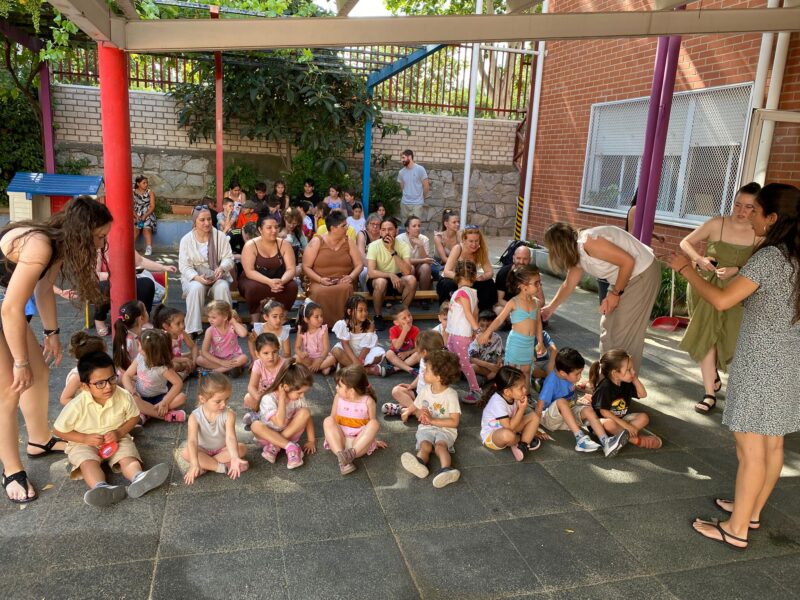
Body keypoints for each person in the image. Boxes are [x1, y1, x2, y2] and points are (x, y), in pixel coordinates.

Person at [669, 182, 799, 551]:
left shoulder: (769, 257)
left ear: (772, 217)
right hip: (789, 358)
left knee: (751, 448)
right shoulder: (794, 256)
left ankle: (736, 529)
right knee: (772, 444)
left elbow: (722, 300)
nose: (749, 217)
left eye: (755, 211)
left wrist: (686, 269)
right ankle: (750, 512)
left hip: (762, 360)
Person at [678, 182, 762, 414]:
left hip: (737, 292)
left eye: (749, 207)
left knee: (729, 337)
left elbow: (761, 265)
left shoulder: (760, 233)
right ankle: (709, 393)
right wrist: (700, 259)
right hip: (706, 287)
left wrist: (738, 269)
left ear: (758, 209)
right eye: (738, 204)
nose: (741, 211)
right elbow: (685, 242)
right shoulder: (717, 223)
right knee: (707, 335)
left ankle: (714, 372)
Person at [52, 351, 169, 507]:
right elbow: (58, 430)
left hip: (117, 437)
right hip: (84, 443)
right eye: (100, 383)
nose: (108, 386)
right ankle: (101, 488)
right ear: (85, 386)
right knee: (87, 462)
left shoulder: (123, 396)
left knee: (127, 456)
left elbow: (134, 417)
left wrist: (120, 432)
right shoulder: (76, 405)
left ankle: (139, 477)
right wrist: (85, 439)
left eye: (112, 379)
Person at [541, 222, 660, 372]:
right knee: (607, 328)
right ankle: (605, 377)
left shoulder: (589, 242)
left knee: (623, 333)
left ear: (558, 247)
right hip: (622, 279)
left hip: (642, 274)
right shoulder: (576, 252)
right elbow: (568, 284)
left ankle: (624, 380)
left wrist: (615, 294)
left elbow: (628, 262)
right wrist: (550, 308)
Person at [537, 348, 621, 455]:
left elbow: (570, 394)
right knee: (561, 401)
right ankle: (580, 439)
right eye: (577, 374)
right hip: (550, 420)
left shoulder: (567, 377)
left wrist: (583, 397)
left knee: (588, 410)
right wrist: (535, 430)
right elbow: (539, 407)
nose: (580, 377)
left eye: (580, 373)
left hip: (568, 417)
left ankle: (606, 442)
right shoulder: (551, 382)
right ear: (563, 373)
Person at [399, 349, 462, 488]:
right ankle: (420, 464)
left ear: (438, 377)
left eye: (427, 370)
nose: (423, 372)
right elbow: (416, 404)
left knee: (440, 446)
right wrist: (408, 411)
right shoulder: (426, 389)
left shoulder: (451, 395)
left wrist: (433, 420)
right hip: (426, 427)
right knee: (425, 444)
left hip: (446, 429)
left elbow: (454, 422)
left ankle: (447, 470)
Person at [479, 265, 545, 387]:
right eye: (536, 283)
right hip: (516, 342)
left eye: (539, 282)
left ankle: (526, 394)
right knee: (511, 371)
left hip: (529, 343)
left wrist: (540, 342)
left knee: (526, 371)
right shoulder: (513, 302)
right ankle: (506, 391)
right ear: (523, 286)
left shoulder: (536, 303)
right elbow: (499, 319)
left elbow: (538, 324)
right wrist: (487, 333)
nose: (539, 286)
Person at [91, 248, 177, 337]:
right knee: (104, 286)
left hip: (127, 282)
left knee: (146, 283)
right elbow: (94, 275)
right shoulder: (98, 249)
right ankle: (99, 320)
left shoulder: (125, 245)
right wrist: (117, 275)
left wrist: (163, 267)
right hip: (107, 283)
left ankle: (143, 319)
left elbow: (141, 261)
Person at [179, 205, 235, 337]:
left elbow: (229, 258)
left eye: (209, 219)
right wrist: (197, 277)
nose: (207, 223)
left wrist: (222, 268)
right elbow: (184, 266)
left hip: (216, 276)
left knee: (222, 286)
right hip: (195, 277)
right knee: (196, 288)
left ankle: (225, 326)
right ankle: (192, 329)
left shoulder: (220, 236)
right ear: (195, 221)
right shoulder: (186, 240)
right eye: (202, 220)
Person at [183, 373, 249, 485]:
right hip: (203, 450)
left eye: (226, 399)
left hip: (222, 449)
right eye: (218, 401)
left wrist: (234, 457)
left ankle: (205, 466)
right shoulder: (194, 417)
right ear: (202, 399)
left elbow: (230, 438)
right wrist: (194, 463)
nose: (223, 404)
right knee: (186, 452)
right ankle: (221, 468)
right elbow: (192, 441)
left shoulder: (229, 414)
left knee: (242, 448)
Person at [589, 349, 662, 449]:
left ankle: (621, 436)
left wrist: (634, 378)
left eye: (632, 368)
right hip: (600, 425)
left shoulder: (626, 383)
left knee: (644, 417)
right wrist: (625, 425)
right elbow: (604, 412)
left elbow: (642, 394)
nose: (633, 371)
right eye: (629, 370)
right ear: (615, 373)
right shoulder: (605, 387)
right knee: (609, 424)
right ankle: (637, 440)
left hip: (620, 420)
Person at [250, 360, 316, 469]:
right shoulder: (268, 399)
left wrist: (311, 440)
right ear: (285, 387)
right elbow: (280, 423)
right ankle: (291, 447)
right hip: (268, 437)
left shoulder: (298, 399)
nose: (302, 395)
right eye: (300, 392)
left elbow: (307, 418)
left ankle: (276, 445)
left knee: (305, 412)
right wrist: (281, 398)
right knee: (255, 425)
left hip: (288, 434)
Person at [303, 209, 363, 327]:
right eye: (343, 226)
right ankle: (320, 324)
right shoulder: (317, 241)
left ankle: (344, 324)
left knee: (346, 288)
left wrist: (351, 277)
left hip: (342, 281)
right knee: (320, 291)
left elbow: (359, 264)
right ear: (333, 228)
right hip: (319, 281)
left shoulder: (349, 241)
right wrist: (320, 280)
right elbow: (306, 266)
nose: (347, 228)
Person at [323, 365, 386, 475]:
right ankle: (342, 457)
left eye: (339, 386)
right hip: (340, 442)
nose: (336, 388)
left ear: (351, 391)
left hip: (358, 445)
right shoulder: (338, 397)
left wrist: (373, 441)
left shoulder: (368, 401)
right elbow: (333, 419)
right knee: (328, 420)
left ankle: (347, 457)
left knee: (374, 423)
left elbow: (370, 428)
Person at [238, 212, 299, 321]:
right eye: (269, 228)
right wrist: (269, 282)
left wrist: (281, 281)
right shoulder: (250, 245)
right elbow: (249, 271)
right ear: (260, 229)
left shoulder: (284, 244)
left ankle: (282, 319)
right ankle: (255, 322)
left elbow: (291, 269)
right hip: (254, 279)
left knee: (292, 286)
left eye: (276, 227)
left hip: (278, 278)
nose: (274, 230)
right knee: (253, 288)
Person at [122, 328, 187, 424]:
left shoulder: (163, 368)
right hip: (140, 396)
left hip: (159, 398)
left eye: (140, 345)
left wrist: (165, 402)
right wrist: (131, 389)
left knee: (182, 397)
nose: (138, 346)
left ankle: (146, 413)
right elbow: (127, 375)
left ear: (149, 351)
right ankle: (165, 416)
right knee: (133, 399)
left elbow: (178, 383)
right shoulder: (140, 358)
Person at [479, 366, 542, 461]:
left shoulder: (513, 397)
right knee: (508, 435)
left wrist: (521, 410)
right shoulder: (497, 402)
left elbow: (516, 418)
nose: (525, 390)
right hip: (493, 435)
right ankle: (520, 438)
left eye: (524, 386)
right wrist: (522, 409)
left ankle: (523, 445)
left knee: (534, 416)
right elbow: (509, 427)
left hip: (510, 426)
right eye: (521, 388)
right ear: (507, 392)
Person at [366, 217, 417, 331]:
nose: (387, 233)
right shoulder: (374, 246)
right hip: (378, 279)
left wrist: (392, 251)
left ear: (396, 231)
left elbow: (407, 271)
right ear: (380, 232)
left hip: (398, 279)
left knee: (412, 280)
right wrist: (389, 275)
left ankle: (402, 315)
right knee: (381, 282)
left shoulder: (403, 245)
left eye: (390, 229)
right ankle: (378, 316)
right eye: (383, 230)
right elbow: (371, 272)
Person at [437, 225, 497, 312]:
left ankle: (483, 312)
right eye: (471, 241)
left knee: (489, 283)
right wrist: (462, 279)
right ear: (464, 240)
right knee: (448, 285)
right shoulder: (458, 248)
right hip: (453, 278)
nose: (474, 244)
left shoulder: (480, 251)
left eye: (476, 241)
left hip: (470, 279)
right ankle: (447, 312)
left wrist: (482, 277)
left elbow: (490, 272)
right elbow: (447, 271)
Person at [445, 260, 481, 404]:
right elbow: (475, 312)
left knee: (464, 363)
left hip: (459, 334)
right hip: (458, 333)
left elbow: (468, 313)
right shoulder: (473, 293)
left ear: (457, 275)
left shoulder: (461, 293)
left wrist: (477, 330)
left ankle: (476, 390)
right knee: (453, 357)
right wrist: (474, 331)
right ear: (474, 277)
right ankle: (448, 379)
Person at [386, 330, 444, 417]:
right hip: (418, 394)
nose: (416, 352)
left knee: (434, 411)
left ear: (424, 352)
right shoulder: (423, 359)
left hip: (431, 400)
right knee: (396, 391)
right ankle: (411, 409)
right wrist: (412, 385)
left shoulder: (438, 366)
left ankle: (412, 411)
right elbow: (420, 375)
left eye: (417, 350)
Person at [330, 295, 386, 376]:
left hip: (364, 353)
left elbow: (367, 346)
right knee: (336, 351)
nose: (364, 313)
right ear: (350, 312)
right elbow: (345, 345)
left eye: (366, 310)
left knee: (379, 353)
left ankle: (347, 366)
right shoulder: (343, 324)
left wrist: (360, 359)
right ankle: (366, 370)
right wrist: (355, 360)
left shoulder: (370, 325)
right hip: (349, 352)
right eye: (360, 310)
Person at [242, 333, 286, 427]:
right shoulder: (258, 364)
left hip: (280, 398)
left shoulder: (284, 364)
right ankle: (261, 415)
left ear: (279, 350)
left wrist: (272, 395)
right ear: (257, 354)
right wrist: (258, 396)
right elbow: (251, 386)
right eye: (266, 353)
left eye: (274, 352)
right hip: (263, 397)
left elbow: (288, 387)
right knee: (248, 398)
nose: (271, 357)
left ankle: (263, 417)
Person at [196, 300, 249, 376]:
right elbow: (204, 351)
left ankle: (213, 372)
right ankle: (228, 369)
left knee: (244, 358)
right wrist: (221, 362)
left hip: (233, 357)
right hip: (216, 359)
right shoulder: (210, 330)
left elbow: (243, 334)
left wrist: (234, 322)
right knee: (199, 360)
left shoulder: (232, 327)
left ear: (225, 317)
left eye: (213, 317)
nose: (210, 320)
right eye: (209, 317)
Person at [494, 245, 546, 320]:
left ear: (530, 259)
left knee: (542, 314)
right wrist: (517, 308)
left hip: (528, 308)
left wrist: (528, 308)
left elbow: (541, 301)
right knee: (498, 310)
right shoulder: (503, 273)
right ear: (513, 258)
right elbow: (499, 300)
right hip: (508, 307)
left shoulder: (534, 274)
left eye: (525, 259)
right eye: (518, 258)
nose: (521, 262)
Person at [60, 332, 107, 406]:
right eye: (104, 354)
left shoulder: (98, 369)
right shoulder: (77, 377)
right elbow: (64, 399)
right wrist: (84, 408)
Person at [153, 305, 197, 380]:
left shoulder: (182, 333)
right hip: (166, 361)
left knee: (199, 353)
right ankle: (182, 373)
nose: (182, 326)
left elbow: (193, 347)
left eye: (183, 322)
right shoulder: (163, 337)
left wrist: (194, 361)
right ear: (166, 326)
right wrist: (186, 360)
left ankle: (183, 372)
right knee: (175, 366)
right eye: (178, 323)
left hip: (178, 358)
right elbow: (167, 358)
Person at [295, 301, 337, 374]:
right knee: (296, 358)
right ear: (306, 319)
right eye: (316, 317)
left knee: (332, 359)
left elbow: (326, 348)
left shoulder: (323, 329)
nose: (320, 319)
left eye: (321, 316)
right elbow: (297, 347)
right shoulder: (301, 330)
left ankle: (311, 368)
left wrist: (319, 360)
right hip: (308, 358)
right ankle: (319, 368)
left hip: (322, 357)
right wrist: (300, 353)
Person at [396, 215, 436, 291]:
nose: (417, 228)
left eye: (419, 226)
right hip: (403, 268)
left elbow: (425, 260)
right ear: (407, 229)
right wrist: (422, 260)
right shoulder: (400, 239)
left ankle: (423, 295)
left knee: (426, 267)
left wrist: (420, 245)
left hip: (419, 267)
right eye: (414, 226)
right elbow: (403, 261)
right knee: (411, 267)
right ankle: (409, 293)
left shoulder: (424, 239)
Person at [112, 300, 147, 375]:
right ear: (141, 318)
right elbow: (118, 364)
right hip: (130, 375)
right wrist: (130, 377)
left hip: (142, 372)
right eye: (145, 310)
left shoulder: (146, 331)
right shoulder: (129, 340)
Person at [384, 305, 421, 376]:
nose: (408, 319)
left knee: (418, 354)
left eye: (409, 315)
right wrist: (404, 331)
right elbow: (397, 346)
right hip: (396, 357)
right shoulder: (393, 330)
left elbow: (418, 348)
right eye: (404, 318)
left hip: (410, 357)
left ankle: (395, 368)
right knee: (388, 353)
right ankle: (410, 369)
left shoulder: (415, 330)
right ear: (396, 322)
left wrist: (407, 353)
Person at [469, 310, 504, 382]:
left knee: (504, 367)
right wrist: (489, 365)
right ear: (478, 325)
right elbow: (471, 359)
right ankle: (489, 377)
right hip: (480, 365)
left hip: (492, 365)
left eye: (488, 326)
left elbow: (500, 354)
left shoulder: (497, 338)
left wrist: (498, 363)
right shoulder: (476, 339)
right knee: (472, 367)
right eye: (482, 326)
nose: (485, 329)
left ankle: (485, 379)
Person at [397, 149, 430, 222]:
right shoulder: (401, 172)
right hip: (404, 204)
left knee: (415, 225)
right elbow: (402, 188)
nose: (402, 160)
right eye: (401, 158)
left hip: (417, 204)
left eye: (403, 157)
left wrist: (422, 198)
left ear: (410, 157)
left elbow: (426, 186)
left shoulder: (420, 169)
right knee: (404, 225)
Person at [357, 212, 383, 290]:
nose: (375, 226)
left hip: (381, 264)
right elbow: (361, 254)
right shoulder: (362, 234)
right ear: (367, 225)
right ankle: (365, 292)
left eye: (378, 224)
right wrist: (372, 267)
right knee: (365, 272)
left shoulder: (383, 235)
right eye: (372, 224)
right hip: (365, 264)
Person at [133, 176, 157, 256]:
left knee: (146, 229)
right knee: (135, 229)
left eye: (147, 183)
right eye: (144, 183)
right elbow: (130, 206)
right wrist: (136, 216)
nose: (146, 184)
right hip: (136, 214)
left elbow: (152, 206)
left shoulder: (150, 192)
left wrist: (145, 215)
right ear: (138, 184)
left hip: (148, 213)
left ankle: (149, 248)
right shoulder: (133, 192)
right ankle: (130, 248)